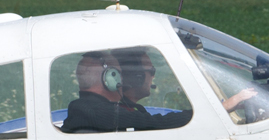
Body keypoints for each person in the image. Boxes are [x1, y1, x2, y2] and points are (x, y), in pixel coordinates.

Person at [61, 51, 190, 133]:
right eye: (119, 74)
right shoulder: (95, 111)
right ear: (110, 78)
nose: (123, 79)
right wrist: (194, 117)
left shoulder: (88, 108)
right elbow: (154, 124)